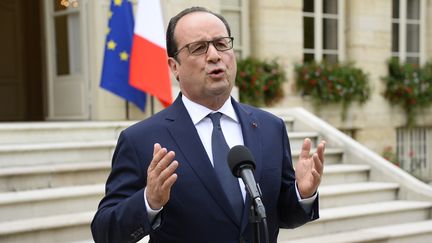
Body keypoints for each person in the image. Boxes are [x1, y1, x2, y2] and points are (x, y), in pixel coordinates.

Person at [91, 6, 326, 243]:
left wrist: (302, 194)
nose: (214, 55)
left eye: (222, 44)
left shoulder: (270, 127)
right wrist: (148, 202)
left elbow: (281, 215)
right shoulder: (141, 140)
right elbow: (104, 232)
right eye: (199, 48)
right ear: (174, 67)